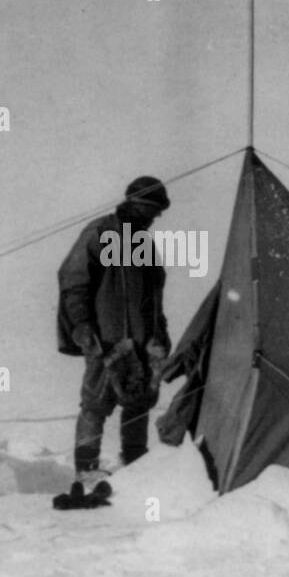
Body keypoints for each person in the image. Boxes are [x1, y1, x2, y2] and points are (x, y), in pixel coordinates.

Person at [57, 176, 173, 486]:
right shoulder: (100, 233)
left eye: (156, 212)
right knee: (95, 404)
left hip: (140, 342)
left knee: (138, 401)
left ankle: (134, 466)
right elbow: (73, 282)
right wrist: (81, 326)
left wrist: (158, 333)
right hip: (104, 340)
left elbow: (153, 297)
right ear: (134, 204)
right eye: (151, 210)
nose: (153, 217)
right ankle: (86, 471)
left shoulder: (142, 243)